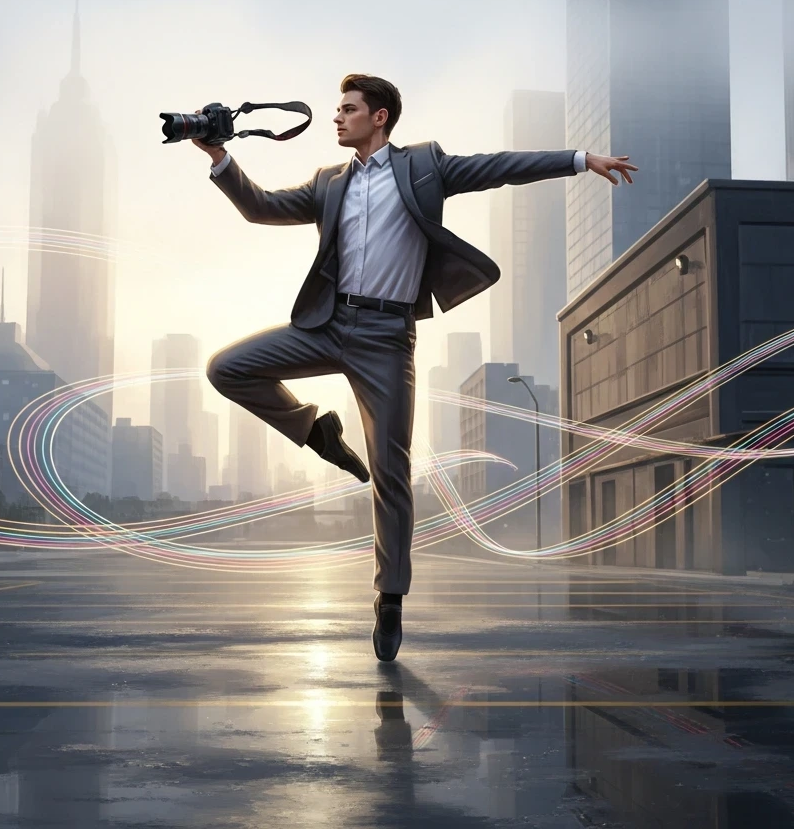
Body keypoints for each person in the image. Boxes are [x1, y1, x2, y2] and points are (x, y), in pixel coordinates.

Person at [197, 74, 636, 661]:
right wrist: (219, 156)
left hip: (386, 339)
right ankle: (314, 430)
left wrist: (581, 160)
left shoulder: (425, 166)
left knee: (390, 472)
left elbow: (500, 166)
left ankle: (390, 597)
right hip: (328, 325)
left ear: (379, 118)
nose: (337, 117)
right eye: (338, 109)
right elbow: (261, 209)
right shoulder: (329, 182)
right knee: (227, 368)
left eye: (348, 109)